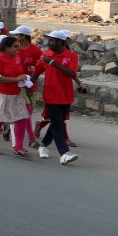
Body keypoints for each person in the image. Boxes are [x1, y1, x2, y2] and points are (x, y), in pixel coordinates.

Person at [32, 30, 83, 164]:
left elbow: (71, 73)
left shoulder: (71, 56)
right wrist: (28, 86)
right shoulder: (46, 55)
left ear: (61, 42)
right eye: (48, 40)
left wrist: (53, 63)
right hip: (51, 95)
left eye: (52, 40)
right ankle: (64, 153)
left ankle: (43, 146)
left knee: (57, 123)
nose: (48, 43)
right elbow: (36, 72)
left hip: (66, 95)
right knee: (57, 125)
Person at [0, 36, 33, 158]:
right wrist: (16, 79)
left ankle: (18, 147)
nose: (18, 49)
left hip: (15, 92)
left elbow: (18, 71)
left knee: (21, 117)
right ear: (6, 48)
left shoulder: (16, 57)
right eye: (15, 46)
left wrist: (24, 79)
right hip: (0, 93)